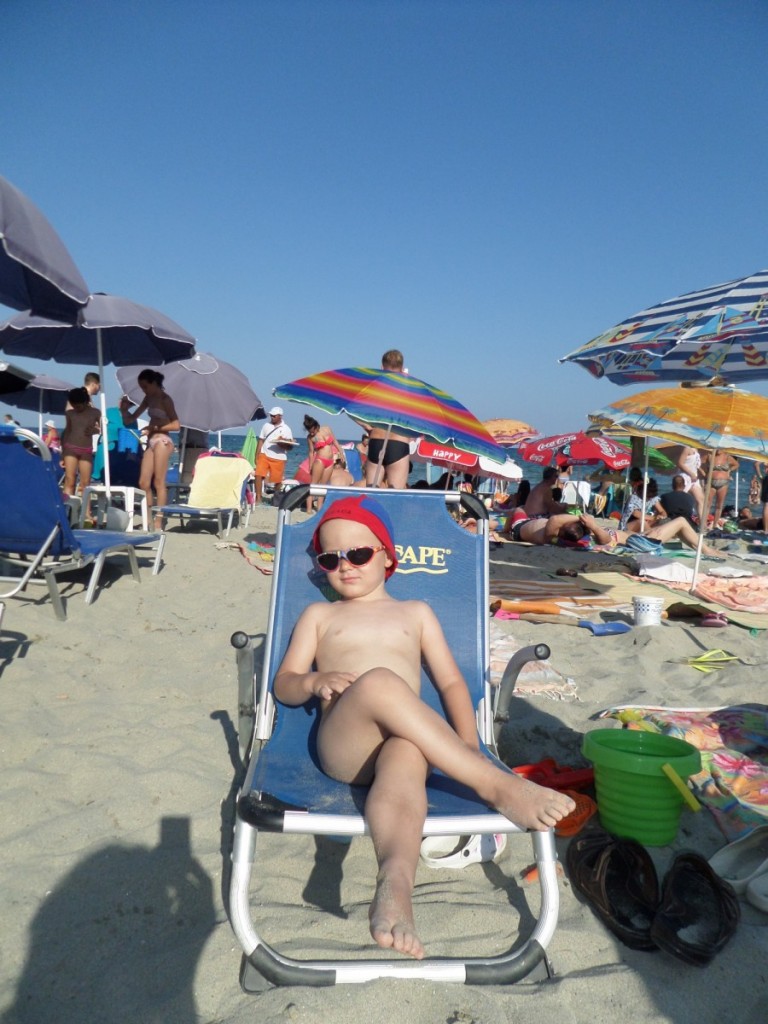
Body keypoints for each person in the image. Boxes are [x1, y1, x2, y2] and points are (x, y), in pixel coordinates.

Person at [273, 496, 574, 959]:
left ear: (387, 557)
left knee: (407, 755)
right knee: (380, 682)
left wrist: (469, 744)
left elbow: (451, 682)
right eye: (330, 559)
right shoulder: (320, 616)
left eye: (358, 554)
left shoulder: (415, 613)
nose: (344, 566)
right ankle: (495, 786)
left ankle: (395, 883)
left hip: (404, 745)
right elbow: (285, 684)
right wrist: (313, 681)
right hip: (345, 746)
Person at [508, 511, 722, 557]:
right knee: (681, 521)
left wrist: (587, 524)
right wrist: (591, 523)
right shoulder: (588, 536)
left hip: (637, 536)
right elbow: (606, 540)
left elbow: (555, 522)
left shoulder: (574, 536)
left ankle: (700, 548)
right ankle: (706, 550)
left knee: (678, 528)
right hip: (641, 542)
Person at [119, 369, 179, 529]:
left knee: (159, 482)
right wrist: (124, 410)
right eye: (141, 387)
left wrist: (155, 427)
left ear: (154, 383)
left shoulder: (166, 399)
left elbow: (176, 425)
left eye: (145, 386)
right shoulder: (149, 398)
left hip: (163, 440)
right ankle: (148, 519)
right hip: (151, 440)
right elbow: (130, 420)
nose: (144, 390)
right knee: (143, 482)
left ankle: (158, 521)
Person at [364, 350, 411, 489]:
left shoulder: (374, 387)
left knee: (372, 493)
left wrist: (365, 425)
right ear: (402, 368)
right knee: (395, 495)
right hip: (398, 442)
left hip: (376, 440)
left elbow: (353, 408)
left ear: (381, 367)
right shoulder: (409, 388)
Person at [61, 387, 101, 501]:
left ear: (85, 402)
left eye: (78, 406)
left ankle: (86, 510)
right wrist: (62, 453)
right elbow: (67, 431)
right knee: (70, 480)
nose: (76, 409)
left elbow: (103, 429)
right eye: (74, 406)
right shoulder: (70, 413)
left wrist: (94, 430)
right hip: (70, 448)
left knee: (85, 483)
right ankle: (67, 507)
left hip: (86, 450)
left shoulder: (95, 412)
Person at [254, 406, 295, 503]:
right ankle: (258, 498)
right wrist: (256, 455)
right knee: (258, 475)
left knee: (277, 480)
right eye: (271, 415)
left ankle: (276, 497)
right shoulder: (266, 425)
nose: (272, 417)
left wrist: (281, 443)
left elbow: (290, 446)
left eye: (274, 416)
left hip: (278, 457)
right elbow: (261, 440)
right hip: (264, 454)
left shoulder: (286, 429)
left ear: (280, 416)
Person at [303, 414, 342, 510]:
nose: (312, 433)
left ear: (316, 426)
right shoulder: (310, 438)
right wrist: (310, 466)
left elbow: (335, 441)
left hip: (330, 461)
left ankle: (319, 507)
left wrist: (341, 453)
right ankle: (309, 508)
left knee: (324, 486)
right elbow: (311, 452)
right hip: (320, 461)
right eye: (310, 432)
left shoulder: (327, 429)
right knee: (314, 484)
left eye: (313, 431)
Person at [703, 450, 739, 525]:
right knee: (707, 504)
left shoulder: (728, 457)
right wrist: (705, 474)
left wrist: (729, 470)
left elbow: (736, 465)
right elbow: (699, 464)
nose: (718, 450)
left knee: (719, 505)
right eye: (717, 448)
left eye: (720, 448)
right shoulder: (710, 456)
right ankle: (704, 524)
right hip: (710, 482)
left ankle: (715, 525)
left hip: (723, 483)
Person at [677, 446, 705, 521]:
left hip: (694, 479)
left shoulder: (696, 449)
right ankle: (678, 518)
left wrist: (701, 470)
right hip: (685, 477)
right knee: (681, 500)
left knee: (701, 500)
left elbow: (694, 464)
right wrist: (691, 474)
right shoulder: (687, 448)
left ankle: (702, 523)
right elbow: (680, 463)